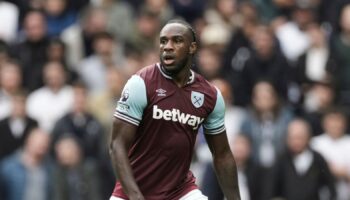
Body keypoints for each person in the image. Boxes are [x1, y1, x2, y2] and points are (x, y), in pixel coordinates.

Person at [109, 19, 241, 200]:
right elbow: (117, 146)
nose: (167, 47)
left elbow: (222, 155)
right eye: (163, 41)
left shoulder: (210, 95)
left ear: (192, 48)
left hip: (180, 192)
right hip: (131, 193)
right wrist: (136, 197)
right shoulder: (141, 84)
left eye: (177, 41)